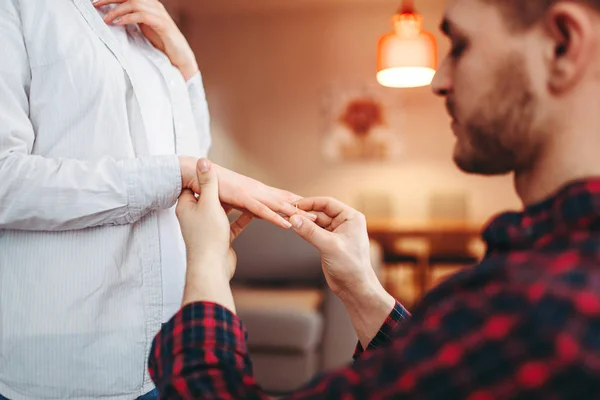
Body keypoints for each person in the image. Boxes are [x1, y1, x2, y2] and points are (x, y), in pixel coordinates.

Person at [148, 0, 600, 398]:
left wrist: (206, 265)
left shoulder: (538, 308)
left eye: (460, 46)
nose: (438, 81)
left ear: (562, 44)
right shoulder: (544, 294)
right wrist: (361, 288)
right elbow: (434, 378)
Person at [0, 1, 315, 399]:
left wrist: (185, 64)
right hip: (69, 359)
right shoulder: (19, 9)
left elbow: (192, 156)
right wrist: (175, 173)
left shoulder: (148, 30)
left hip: (168, 349)